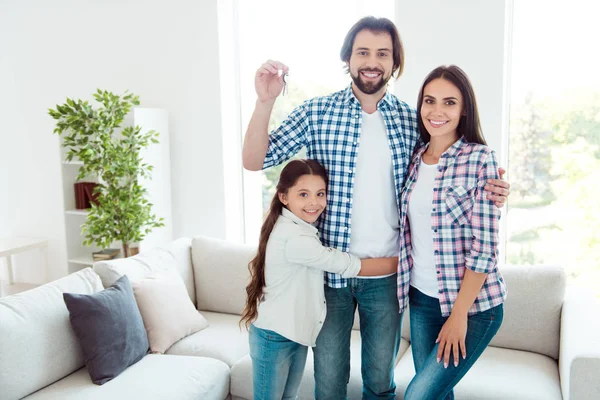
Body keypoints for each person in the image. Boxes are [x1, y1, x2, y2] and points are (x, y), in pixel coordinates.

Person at [242, 16, 510, 399]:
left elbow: (446, 167)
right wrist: (265, 100)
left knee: (380, 384)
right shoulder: (316, 112)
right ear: (347, 58)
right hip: (330, 274)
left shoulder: (410, 118)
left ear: (394, 62)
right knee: (330, 382)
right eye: (362, 52)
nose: (372, 61)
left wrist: (493, 190)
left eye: (382, 53)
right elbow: (255, 159)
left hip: (388, 277)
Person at [240, 159, 398, 400]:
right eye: (303, 194)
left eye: (320, 194)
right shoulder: (296, 238)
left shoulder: (300, 229)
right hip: (274, 336)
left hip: (295, 334)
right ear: (284, 197)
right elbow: (352, 266)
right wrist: (407, 260)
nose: (314, 202)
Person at [398, 65, 507, 400]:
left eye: (449, 102)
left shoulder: (480, 160)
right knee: (438, 395)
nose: (437, 111)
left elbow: (485, 248)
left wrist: (459, 315)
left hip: (474, 308)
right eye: (429, 101)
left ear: (463, 110)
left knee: (419, 395)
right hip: (422, 300)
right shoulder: (413, 159)